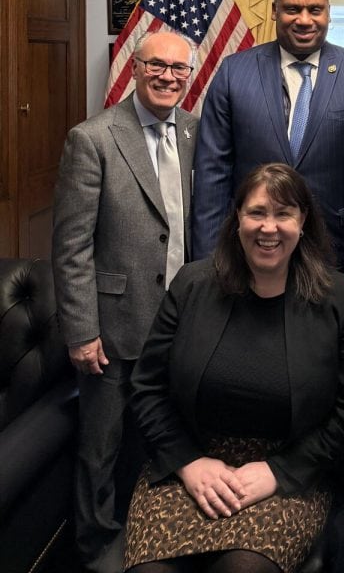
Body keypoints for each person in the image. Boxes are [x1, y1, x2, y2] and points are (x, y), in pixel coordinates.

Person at [123, 162, 344, 573]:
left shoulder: (336, 296)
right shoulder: (191, 285)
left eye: (283, 214)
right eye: (256, 212)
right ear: (237, 218)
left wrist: (281, 471)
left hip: (289, 475)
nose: (268, 227)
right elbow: (147, 387)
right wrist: (188, 463)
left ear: (303, 221)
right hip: (187, 468)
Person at [52, 30, 198, 572]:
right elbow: (70, 247)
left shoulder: (194, 132)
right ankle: (95, 547)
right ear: (134, 68)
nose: (167, 77)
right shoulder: (93, 138)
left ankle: (148, 533)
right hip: (112, 324)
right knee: (101, 448)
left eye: (179, 69)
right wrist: (81, 330)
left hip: (180, 322)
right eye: (156, 65)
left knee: (160, 437)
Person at [192, 0, 344, 290]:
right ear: (274, 12)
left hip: (335, 250)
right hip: (250, 251)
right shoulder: (233, 73)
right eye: (292, 9)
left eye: (315, 9)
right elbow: (212, 171)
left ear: (329, 12)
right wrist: (207, 258)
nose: (304, 19)